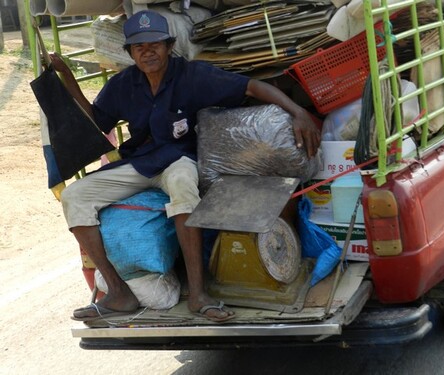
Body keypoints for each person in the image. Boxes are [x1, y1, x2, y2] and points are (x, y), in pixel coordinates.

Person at [50, 9, 320, 322]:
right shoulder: (125, 83)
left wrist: (298, 112)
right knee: (74, 197)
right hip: (140, 163)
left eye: (154, 44)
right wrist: (66, 77)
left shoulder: (192, 75)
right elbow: (98, 120)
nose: (147, 51)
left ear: (168, 46)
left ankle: (198, 294)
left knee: (181, 182)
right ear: (130, 53)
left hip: (180, 159)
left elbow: (251, 88)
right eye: (139, 47)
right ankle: (117, 291)